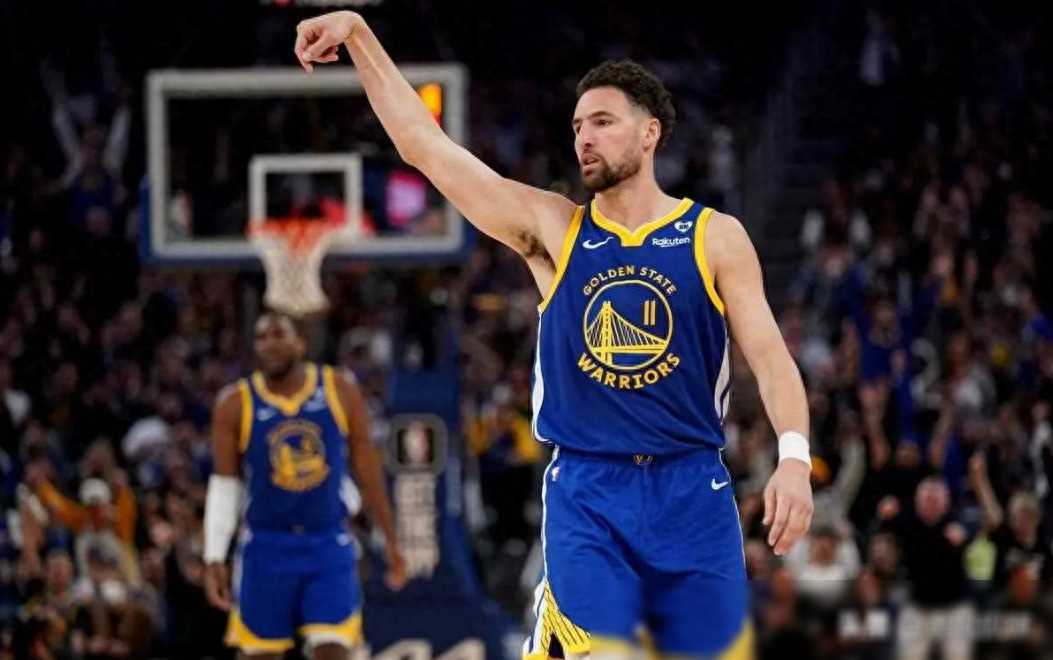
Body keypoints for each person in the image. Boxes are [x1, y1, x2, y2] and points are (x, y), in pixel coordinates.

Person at [294, 12, 814, 658]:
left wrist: (794, 458)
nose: (584, 138)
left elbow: (770, 357)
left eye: (602, 122)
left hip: (692, 490)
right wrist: (356, 33)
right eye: (576, 126)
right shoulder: (557, 231)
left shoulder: (714, 238)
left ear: (649, 133)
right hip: (590, 492)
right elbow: (425, 148)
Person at [202, 311, 406, 659]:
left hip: (326, 541)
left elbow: (367, 470)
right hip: (265, 545)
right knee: (259, 654)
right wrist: (214, 555)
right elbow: (225, 486)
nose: (270, 344)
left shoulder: (339, 388)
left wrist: (390, 538)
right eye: (261, 337)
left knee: (334, 649)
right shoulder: (234, 402)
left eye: (279, 335)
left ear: (300, 343)